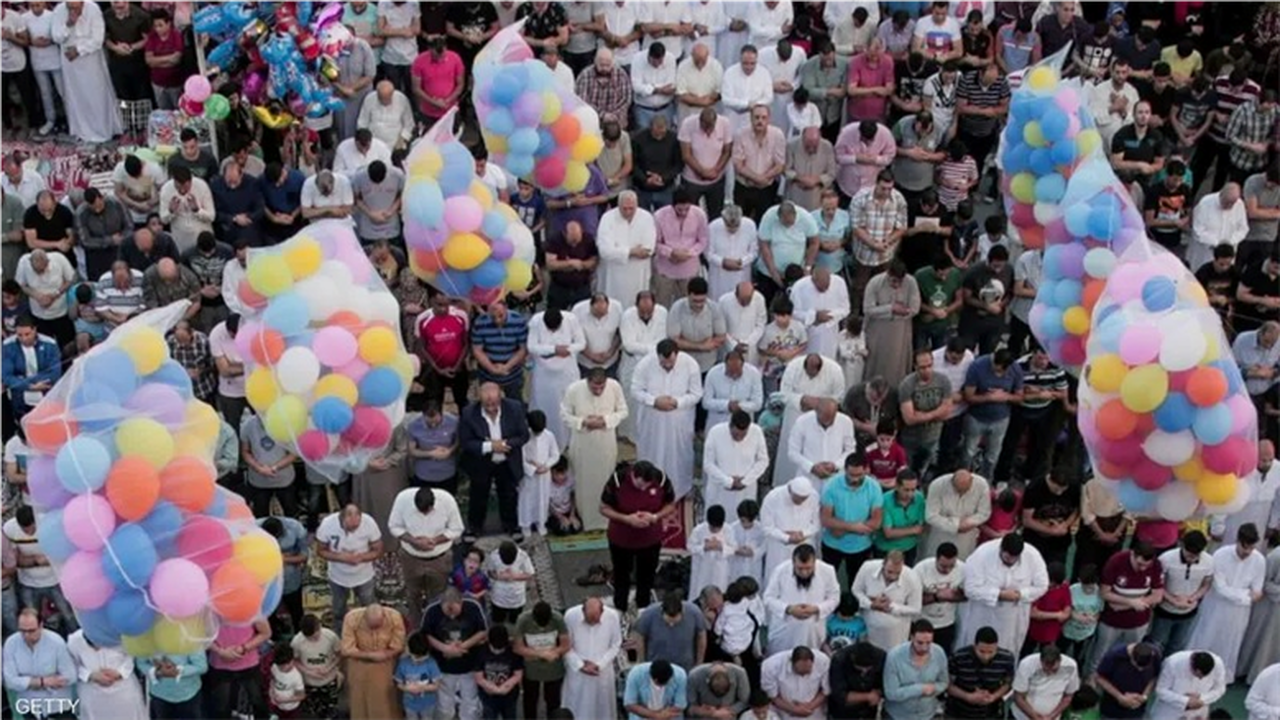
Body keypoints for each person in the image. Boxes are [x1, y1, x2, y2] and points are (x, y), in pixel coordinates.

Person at [1185, 523, 1267, 678]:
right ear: (1237, 541)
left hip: (1239, 613)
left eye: (1251, 548)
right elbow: (1220, 588)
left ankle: (1221, 675)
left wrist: (1245, 596)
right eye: (1245, 547)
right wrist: (1245, 595)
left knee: (1230, 642)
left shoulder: (1259, 560)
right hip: (1216, 606)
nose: (1247, 552)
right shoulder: (1221, 554)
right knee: (1206, 635)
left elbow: (1257, 591)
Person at [602, 460, 678, 612]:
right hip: (621, 539)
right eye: (640, 485)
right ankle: (620, 609)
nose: (643, 489)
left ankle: (643, 608)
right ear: (633, 475)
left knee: (647, 576)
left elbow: (670, 504)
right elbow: (604, 508)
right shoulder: (618, 480)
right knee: (621, 576)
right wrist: (627, 519)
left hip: (650, 539)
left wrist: (655, 517)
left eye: (647, 486)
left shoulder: (661, 479)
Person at [630, 339, 703, 497]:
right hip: (652, 421)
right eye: (663, 363)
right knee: (651, 453)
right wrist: (654, 401)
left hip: (680, 421)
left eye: (670, 363)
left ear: (677, 355)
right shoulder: (645, 364)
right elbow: (635, 390)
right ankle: (648, 486)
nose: (667, 366)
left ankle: (681, 488)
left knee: (680, 454)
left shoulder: (690, 364)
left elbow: (697, 394)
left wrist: (677, 402)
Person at [459, 382, 530, 540]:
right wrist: (491, 446)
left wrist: (504, 445)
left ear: (501, 398)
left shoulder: (515, 408)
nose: (491, 407)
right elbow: (466, 442)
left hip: (507, 460)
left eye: (494, 403)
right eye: (487, 404)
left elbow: (523, 435)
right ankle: (474, 527)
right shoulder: (469, 413)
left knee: (509, 495)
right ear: (479, 399)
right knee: (478, 495)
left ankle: (511, 526)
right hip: (482, 462)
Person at [958, 535, 1049, 654]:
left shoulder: (1033, 556)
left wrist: (1020, 595)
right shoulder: (982, 554)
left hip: (1013, 617)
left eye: (1014, 558)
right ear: (1001, 548)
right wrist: (999, 594)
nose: (1010, 561)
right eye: (1006, 557)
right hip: (982, 614)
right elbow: (970, 589)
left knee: (1008, 650)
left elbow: (1042, 586)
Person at [388, 486, 464, 628]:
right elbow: (394, 526)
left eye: (426, 511)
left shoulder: (447, 500)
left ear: (432, 504)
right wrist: (413, 541)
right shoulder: (402, 499)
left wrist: (435, 541)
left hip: (439, 559)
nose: (422, 514)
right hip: (410, 558)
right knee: (412, 594)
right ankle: (416, 625)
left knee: (437, 595)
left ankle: (433, 624)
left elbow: (456, 529)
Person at [51, 0, 123, 143]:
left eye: (76, 8)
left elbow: (98, 39)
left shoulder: (93, 8)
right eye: (70, 7)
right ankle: (82, 131)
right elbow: (56, 37)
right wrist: (68, 24)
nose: (73, 10)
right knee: (76, 96)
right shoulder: (59, 10)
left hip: (90, 61)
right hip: (70, 63)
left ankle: (103, 131)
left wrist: (78, 50)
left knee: (97, 95)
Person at [1089, 541, 1165, 675]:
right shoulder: (1116, 561)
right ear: (1133, 554)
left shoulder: (1156, 565)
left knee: (1131, 653)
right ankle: (1093, 677)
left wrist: (1126, 604)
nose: (1142, 569)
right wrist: (1131, 603)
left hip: (1139, 622)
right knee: (1101, 652)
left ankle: (1118, 677)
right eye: (1140, 564)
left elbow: (1158, 595)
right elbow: (1105, 592)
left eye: (1146, 566)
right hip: (1111, 621)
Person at [316, 504, 384, 635]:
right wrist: (341, 557)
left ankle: (370, 630)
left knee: (368, 604)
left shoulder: (369, 523)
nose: (353, 530)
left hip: (364, 576)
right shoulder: (327, 525)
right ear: (341, 519)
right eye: (350, 527)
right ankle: (340, 632)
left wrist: (361, 557)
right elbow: (320, 550)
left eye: (356, 527)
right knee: (339, 608)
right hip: (338, 576)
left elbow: (378, 550)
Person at [422, 588, 489, 720]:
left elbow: (483, 631)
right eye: (447, 612)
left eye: (455, 612)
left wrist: (463, 646)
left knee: (470, 702)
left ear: (461, 603)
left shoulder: (473, 606)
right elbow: (425, 634)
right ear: (441, 604)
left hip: (470, 664)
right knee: (444, 705)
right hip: (443, 666)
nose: (452, 616)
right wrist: (444, 648)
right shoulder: (431, 610)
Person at [763, 543, 842, 654]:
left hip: (813, 632)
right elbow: (768, 598)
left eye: (808, 568)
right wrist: (789, 609)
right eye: (799, 569)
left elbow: (834, 598)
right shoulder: (780, 570)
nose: (804, 573)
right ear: (793, 562)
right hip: (785, 631)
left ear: (815, 562)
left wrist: (816, 609)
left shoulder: (827, 571)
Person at [1150, 530, 1213, 656]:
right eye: (1189, 555)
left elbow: (1206, 584)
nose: (1191, 559)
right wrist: (1172, 600)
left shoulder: (1209, 561)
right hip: (1165, 612)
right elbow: (1157, 585)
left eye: (1196, 556)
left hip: (1189, 612)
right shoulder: (1166, 559)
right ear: (1182, 546)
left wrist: (1193, 598)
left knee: (1177, 647)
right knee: (1156, 644)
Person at [3, 609, 76, 718]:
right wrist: (43, 682)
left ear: (41, 625)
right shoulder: (11, 644)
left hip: (58, 705)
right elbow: (10, 681)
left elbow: (70, 676)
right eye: (22, 631)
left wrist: (27, 682)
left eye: (31, 631)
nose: (26, 635)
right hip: (29, 706)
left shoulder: (56, 642)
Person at [342, 603, 408, 720]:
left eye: (378, 626)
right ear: (364, 618)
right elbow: (347, 650)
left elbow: (398, 645)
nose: (374, 630)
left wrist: (385, 654)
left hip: (386, 662)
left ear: (383, 617)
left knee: (385, 701)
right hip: (359, 663)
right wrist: (370, 655)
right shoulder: (351, 618)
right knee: (360, 701)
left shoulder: (394, 617)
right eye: (371, 627)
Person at [563, 598, 623, 720]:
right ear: (583, 611)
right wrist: (580, 665)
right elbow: (566, 646)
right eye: (589, 620)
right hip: (577, 672)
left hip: (603, 671)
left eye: (595, 620)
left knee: (603, 708)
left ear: (602, 612)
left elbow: (616, 644)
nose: (592, 624)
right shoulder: (570, 616)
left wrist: (600, 664)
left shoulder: (612, 616)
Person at [862, 261, 920, 388]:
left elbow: (915, 308)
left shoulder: (911, 282)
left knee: (897, 365)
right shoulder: (875, 283)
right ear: (888, 274)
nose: (897, 285)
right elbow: (867, 309)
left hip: (900, 331)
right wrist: (890, 309)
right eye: (893, 281)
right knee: (875, 362)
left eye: (900, 282)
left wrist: (903, 311)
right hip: (878, 331)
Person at [66, 629, 146, 720]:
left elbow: (131, 655)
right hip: (92, 696)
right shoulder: (74, 640)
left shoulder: (120, 635)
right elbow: (72, 665)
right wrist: (91, 675)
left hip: (123, 693)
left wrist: (119, 673)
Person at [850, 551, 923, 648]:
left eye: (898, 573)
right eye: (890, 572)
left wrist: (892, 607)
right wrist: (871, 604)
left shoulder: (912, 577)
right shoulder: (867, 568)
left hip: (896, 636)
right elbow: (856, 590)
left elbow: (916, 608)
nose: (893, 576)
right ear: (883, 565)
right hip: (867, 629)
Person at [883, 619, 949, 720]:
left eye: (928, 643)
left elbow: (944, 682)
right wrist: (921, 689)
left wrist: (934, 689)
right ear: (911, 637)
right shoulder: (894, 656)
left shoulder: (939, 653)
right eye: (920, 643)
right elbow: (891, 693)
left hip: (927, 714)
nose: (924, 648)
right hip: (898, 716)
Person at [945, 626, 1015, 720]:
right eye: (982, 651)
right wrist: (967, 696)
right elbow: (947, 685)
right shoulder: (959, 657)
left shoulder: (1006, 659)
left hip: (992, 714)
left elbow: (1008, 684)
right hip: (960, 713)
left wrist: (994, 696)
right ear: (975, 646)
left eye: (991, 652)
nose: (986, 656)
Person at [921, 470, 991, 558]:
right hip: (941, 535)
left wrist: (968, 522)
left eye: (965, 490)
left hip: (966, 538)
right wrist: (956, 526)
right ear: (952, 482)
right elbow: (930, 516)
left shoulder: (982, 485)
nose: (961, 493)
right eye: (958, 490)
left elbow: (984, 513)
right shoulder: (937, 485)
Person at [1149, 651, 1226, 720]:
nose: (1200, 679)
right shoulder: (1173, 663)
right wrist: (1186, 701)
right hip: (1169, 712)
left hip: (1198, 713)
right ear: (1192, 665)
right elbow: (1161, 690)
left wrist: (1202, 699)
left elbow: (1220, 689)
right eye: (1198, 675)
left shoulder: (1218, 664)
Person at [138, 645, 208, 720]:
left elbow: (202, 666)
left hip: (188, 696)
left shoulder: (189, 637)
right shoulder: (146, 638)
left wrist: (178, 671)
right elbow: (141, 663)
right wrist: (157, 672)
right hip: (159, 696)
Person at [1094, 641, 1161, 720]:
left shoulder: (1155, 654)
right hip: (1111, 709)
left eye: (1144, 668)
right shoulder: (1114, 655)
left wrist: (1144, 696)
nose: (1140, 670)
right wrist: (1119, 697)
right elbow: (1099, 677)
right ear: (1131, 657)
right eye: (1137, 666)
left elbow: (1154, 677)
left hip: (1137, 711)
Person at [1010, 646, 1078, 720]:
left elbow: (1068, 696)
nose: (1049, 673)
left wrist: (1051, 716)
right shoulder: (1026, 664)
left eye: (1054, 670)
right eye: (1045, 670)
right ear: (1040, 661)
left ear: (1060, 660)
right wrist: (1035, 717)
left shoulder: (1071, 666)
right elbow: (1018, 697)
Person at [395, 631, 442, 720]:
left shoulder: (431, 663)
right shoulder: (403, 663)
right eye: (416, 657)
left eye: (422, 658)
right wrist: (406, 688)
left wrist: (422, 688)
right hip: (409, 704)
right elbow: (398, 683)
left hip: (428, 704)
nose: (418, 660)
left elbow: (436, 685)